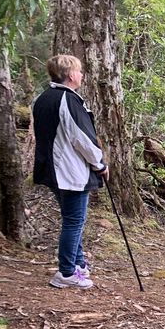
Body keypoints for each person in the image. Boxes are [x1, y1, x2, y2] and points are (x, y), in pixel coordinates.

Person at [32, 54, 108, 290]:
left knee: (72, 219)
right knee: (74, 221)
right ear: (71, 74)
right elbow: (82, 139)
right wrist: (100, 164)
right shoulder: (68, 100)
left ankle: (78, 264)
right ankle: (66, 272)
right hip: (69, 171)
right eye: (80, 70)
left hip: (52, 169)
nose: (82, 74)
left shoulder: (42, 98)